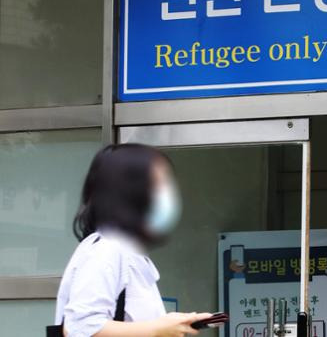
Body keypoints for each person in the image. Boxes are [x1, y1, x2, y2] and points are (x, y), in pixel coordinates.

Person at [53, 144, 211, 337]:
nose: (166, 194)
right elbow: (79, 327)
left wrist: (172, 325)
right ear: (130, 191)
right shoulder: (107, 250)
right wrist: (157, 329)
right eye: (158, 184)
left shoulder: (125, 252)